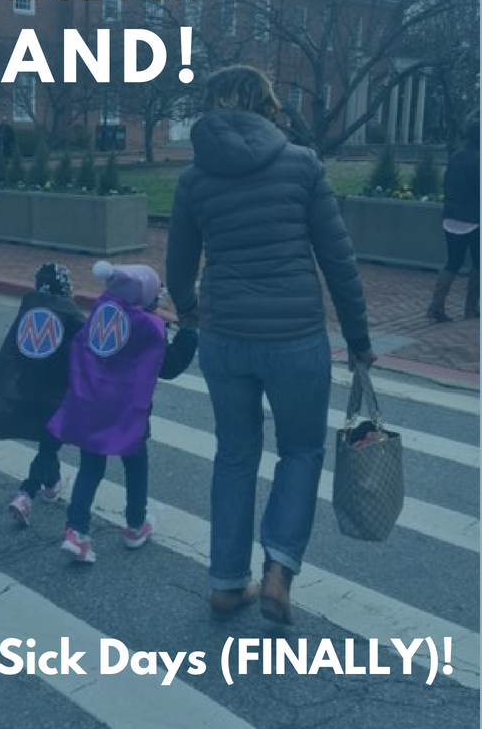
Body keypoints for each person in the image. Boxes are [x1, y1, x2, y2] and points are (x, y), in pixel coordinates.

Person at [165, 64, 376, 624]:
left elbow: (179, 266)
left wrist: (191, 313)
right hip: (294, 338)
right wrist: (358, 338)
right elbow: (338, 259)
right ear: (267, 106)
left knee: (235, 453)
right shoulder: (302, 164)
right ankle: (278, 570)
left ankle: (226, 583)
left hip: (225, 336)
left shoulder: (194, 178)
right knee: (301, 451)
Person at [48, 261, 197, 563]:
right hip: (129, 413)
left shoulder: (101, 313)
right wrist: (189, 334)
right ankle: (134, 525)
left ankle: (76, 531)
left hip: (91, 406)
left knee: (91, 468)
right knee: (135, 464)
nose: (157, 302)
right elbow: (168, 367)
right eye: (155, 297)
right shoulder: (147, 326)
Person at [0, 263, 86, 526]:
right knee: (49, 445)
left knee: (47, 441)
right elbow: (84, 349)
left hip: (27, 388)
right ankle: (26, 491)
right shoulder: (70, 314)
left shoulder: (30, 309)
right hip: (55, 394)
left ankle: (52, 484)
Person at [426, 110, 480, 322]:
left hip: (450, 217)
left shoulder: (456, 156)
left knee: (452, 262)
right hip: (474, 219)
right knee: (478, 264)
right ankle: (470, 309)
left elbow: (446, 184)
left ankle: (435, 308)